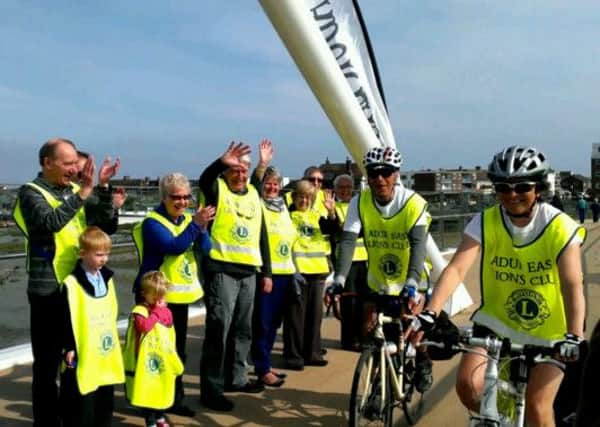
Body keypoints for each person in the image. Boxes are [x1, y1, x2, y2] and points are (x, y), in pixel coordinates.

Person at [411, 145, 586, 426]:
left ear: (538, 188)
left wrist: (574, 335)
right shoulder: (486, 220)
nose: (512, 195)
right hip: (495, 326)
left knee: (539, 409)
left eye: (522, 187)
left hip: (550, 333)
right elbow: (456, 268)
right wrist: (430, 312)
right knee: (468, 386)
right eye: (503, 187)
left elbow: (571, 283)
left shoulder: (559, 226)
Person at [12, 138, 120, 427]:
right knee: (47, 365)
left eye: (76, 163)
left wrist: (104, 190)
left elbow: (105, 225)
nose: (75, 169)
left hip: (78, 289)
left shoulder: (76, 191)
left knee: (75, 360)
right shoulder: (29, 192)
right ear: (47, 163)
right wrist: (84, 192)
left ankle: (72, 417)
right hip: (48, 290)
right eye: (68, 163)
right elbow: (50, 222)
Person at [326, 146, 434, 393]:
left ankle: (424, 359)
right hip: (380, 279)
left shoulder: (413, 203)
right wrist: (339, 279)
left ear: (396, 174)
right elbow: (348, 241)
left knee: (414, 329)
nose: (380, 179)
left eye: (386, 173)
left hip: (413, 277)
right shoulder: (360, 202)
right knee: (370, 332)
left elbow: (418, 246)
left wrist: (412, 283)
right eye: (374, 173)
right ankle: (377, 386)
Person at [132, 172, 214, 417]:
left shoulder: (188, 220)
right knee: (154, 353)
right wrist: (195, 225)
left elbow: (207, 249)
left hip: (178, 299)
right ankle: (151, 404)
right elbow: (173, 246)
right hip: (153, 300)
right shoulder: (152, 222)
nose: (182, 202)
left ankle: (173, 399)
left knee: (176, 351)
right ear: (164, 197)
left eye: (186, 197)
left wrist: (202, 229)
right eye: (176, 197)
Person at [198, 142, 272, 412]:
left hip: (248, 272)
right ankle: (212, 389)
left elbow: (262, 235)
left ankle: (237, 379)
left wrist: (266, 272)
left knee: (243, 331)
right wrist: (221, 161)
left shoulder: (253, 191)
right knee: (219, 331)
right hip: (222, 271)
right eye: (234, 170)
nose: (239, 175)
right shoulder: (217, 189)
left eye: (244, 171)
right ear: (226, 172)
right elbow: (205, 179)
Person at [60, 226, 125, 427]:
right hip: (83, 350)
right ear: (82, 254)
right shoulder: (71, 284)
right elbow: (65, 317)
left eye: (107, 254)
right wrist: (69, 346)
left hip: (104, 350)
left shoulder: (107, 278)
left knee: (105, 396)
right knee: (82, 400)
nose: (104, 259)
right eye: (98, 254)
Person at [250, 139, 297, 387]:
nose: (271, 188)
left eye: (275, 184)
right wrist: (261, 165)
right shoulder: (257, 204)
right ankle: (262, 367)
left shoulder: (284, 207)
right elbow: (253, 185)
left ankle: (265, 363)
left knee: (275, 323)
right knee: (263, 322)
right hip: (266, 273)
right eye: (268, 183)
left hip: (286, 273)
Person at [284, 179, 337, 370]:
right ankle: (293, 356)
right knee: (295, 316)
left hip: (318, 270)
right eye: (300, 196)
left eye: (308, 197)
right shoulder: (287, 216)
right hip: (297, 271)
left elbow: (333, 230)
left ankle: (313, 353)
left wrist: (331, 212)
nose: (304, 200)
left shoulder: (317, 216)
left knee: (315, 316)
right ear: (294, 197)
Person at [123, 271, 184, 427]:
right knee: (149, 394)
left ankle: (160, 418)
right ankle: (151, 422)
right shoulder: (140, 311)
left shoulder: (167, 312)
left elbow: (170, 330)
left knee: (161, 391)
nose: (159, 300)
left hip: (163, 358)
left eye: (162, 296)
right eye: (155, 296)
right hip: (145, 362)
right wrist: (156, 313)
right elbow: (144, 327)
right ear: (144, 294)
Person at [330, 174, 368, 351]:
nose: (345, 190)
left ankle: (362, 337)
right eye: (342, 187)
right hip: (347, 262)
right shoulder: (332, 207)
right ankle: (348, 339)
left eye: (348, 187)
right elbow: (337, 231)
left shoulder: (359, 205)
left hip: (364, 260)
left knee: (363, 302)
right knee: (348, 303)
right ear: (336, 190)